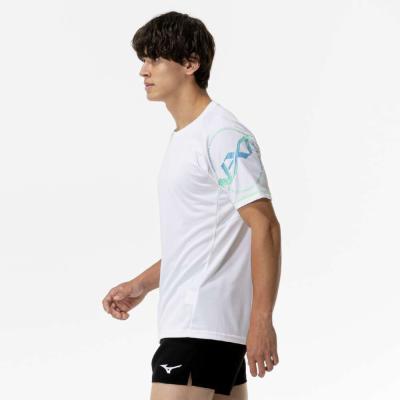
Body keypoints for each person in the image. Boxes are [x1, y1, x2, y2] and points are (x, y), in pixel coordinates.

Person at [102, 11, 281, 400]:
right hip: (202, 327)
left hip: (199, 326)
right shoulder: (187, 137)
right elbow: (201, 240)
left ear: (190, 63)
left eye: (154, 59)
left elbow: (265, 225)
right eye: (143, 60)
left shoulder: (222, 135)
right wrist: (140, 285)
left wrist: (262, 318)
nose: (143, 70)